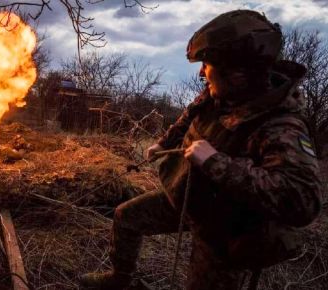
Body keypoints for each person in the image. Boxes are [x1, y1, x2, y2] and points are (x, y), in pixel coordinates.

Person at [79, 10, 322, 290]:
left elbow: (303, 201)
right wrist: (164, 143)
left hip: (227, 231)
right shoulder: (220, 93)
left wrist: (216, 162)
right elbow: (189, 116)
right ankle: (120, 279)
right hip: (189, 196)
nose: (201, 72)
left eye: (206, 64)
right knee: (127, 216)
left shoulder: (280, 124)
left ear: (236, 73)